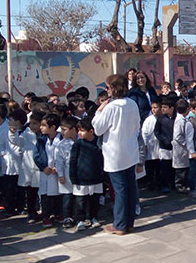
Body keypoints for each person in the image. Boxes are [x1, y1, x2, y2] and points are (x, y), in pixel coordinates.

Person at [92, 74, 141, 235]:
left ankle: (119, 224)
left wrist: (98, 111)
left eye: (108, 87)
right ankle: (129, 222)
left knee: (120, 189)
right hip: (130, 150)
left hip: (115, 153)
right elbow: (137, 126)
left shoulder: (111, 107)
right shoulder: (132, 103)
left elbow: (98, 129)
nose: (107, 90)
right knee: (130, 187)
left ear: (113, 88)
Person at [69, 117, 103, 231]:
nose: (79, 133)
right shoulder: (78, 144)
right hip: (81, 178)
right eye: (78, 130)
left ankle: (93, 217)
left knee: (95, 200)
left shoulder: (98, 142)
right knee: (80, 201)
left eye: (82, 130)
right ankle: (80, 220)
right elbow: (73, 161)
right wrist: (73, 177)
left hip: (96, 176)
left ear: (91, 131)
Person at [12, 111, 42, 223]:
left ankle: (46, 212)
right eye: (31, 123)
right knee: (31, 192)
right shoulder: (26, 133)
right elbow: (17, 142)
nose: (32, 126)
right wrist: (13, 133)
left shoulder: (45, 135)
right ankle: (31, 212)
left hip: (42, 168)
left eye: (35, 123)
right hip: (29, 166)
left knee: (43, 191)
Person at [35, 113, 63, 228]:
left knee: (58, 194)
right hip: (45, 172)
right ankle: (46, 216)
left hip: (57, 172)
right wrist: (43, 167)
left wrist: (59, 167)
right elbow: (36, 155)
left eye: (44, 125)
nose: (40, 127)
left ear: (53, 127)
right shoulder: (41, 140)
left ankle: (58, 214)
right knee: (45, 195)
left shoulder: (61, 138)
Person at [56, 116, 77, 228]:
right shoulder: (62, 144)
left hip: (80, 173)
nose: (62, 132)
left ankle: (80, 217)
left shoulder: (80, 141)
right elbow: (59, 161)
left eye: (64, 130)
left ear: (73, 129)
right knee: (67, 197)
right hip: (67, 173)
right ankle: (67, 217)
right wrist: (60, 174)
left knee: (80, 197)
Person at [141, 101, 162, 191]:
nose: (153, 110)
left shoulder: (162, 118)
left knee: (159, 166)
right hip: (150, 146)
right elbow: (144, 133)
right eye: (152, 108)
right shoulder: (149, 120)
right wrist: (145, 144)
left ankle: (159, 182)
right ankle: (150, 183)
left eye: (155, 107)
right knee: (151, 166)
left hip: (160, 146)